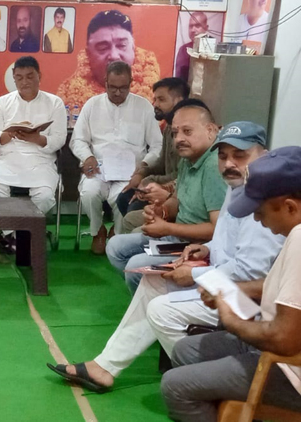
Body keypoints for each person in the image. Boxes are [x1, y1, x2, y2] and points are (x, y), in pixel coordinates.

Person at [48, 122, 283, 395]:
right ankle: (104, 368)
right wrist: (205, 249)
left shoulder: (267, 203)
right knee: (152, 283)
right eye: (223, 156)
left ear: (263, 155)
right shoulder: (238, 185)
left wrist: (192, 274)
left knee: (160, 310)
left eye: (240, 155)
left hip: (248, 299)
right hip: (221, 280)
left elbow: (249, 272)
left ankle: (206, 385)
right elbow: (228, 240)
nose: (229, 163)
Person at [162, 146, 301, 421]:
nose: (258, 220)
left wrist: (231, 318)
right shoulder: (294, 234)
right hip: (276, 342)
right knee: (184, 351)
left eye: (260, 212)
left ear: (290, 207)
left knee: (175, 386)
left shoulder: (299, 239)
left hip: (288, 366)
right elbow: (286, 289)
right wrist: (234, 290)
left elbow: (283, 340)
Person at [106, 99, 228, 293]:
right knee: (115, 247)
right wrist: (160, 212)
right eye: (175, 133)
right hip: (175, 239)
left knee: (136, 267)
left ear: (211, 130)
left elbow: (218, 230)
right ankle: (151, 296)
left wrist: (166, 227)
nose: (179, 139)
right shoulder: (188, 160)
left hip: (197, 248)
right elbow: (176, 201)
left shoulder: (214, 166)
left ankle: (161, 302)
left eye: (187, 131)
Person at [69, 61, 163, 254]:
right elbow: (78, 139)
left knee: (124, 198)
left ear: (131, 83)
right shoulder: (92, 105)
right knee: (89, 193)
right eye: (113, 87)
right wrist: (87, 157)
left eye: (123, 88)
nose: (118, 92)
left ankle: (116, 234)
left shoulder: (143, 106)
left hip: (131, 170)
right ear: (105, 83)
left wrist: (144, 166)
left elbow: (157, 146)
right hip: (100, 167)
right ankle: (98, 231)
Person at [0, 56, 67, 252]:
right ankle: (12, 233)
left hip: (41, 160)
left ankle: (17, 235)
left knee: (45, 196)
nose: (24, 82)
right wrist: (7, 135)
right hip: (7, 158)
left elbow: (59, 139)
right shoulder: (1, 103)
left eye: (30, 76)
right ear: (13, 78)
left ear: (40, 76)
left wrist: (36, 139)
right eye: (19, 78)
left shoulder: (54, 103)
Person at [117, 77, 188, 233]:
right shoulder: (169, 127)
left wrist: (149, 182)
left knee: (133, 205)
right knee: (124, 197)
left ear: (179, 100)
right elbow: (162, 163)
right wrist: (141, 173)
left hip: (174, 192)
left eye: (161, 99)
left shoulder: (185, 134)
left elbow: (181, 174)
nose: (155, 105)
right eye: (155, 99)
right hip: (162, 185)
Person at [57, 9, 161, 111]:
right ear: (88, 54)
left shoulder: (158, 99)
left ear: (134, 48)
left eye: (122, 45)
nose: (114, 56)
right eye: (103, 48)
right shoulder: (67, 100)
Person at [174, 12, 208, 81]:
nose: (193, 30)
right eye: (190, 26)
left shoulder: (215, 49)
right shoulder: (184, 50)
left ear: (206, 28)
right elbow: (179, 78)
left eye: (197, 26)